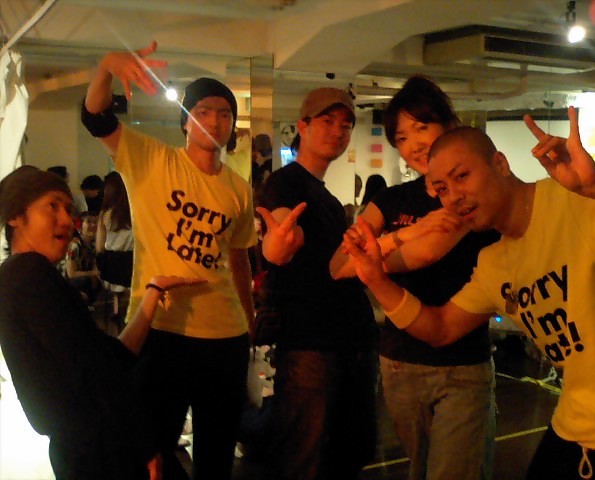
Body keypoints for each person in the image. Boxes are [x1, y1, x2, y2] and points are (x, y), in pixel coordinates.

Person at [342, 109, 595, 480]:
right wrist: (376, 279)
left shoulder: (575, 202)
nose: (454, 197)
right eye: (442, 189)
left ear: (500, 163)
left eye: (462, 176)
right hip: (573, 421)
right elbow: (441, 328)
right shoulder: (495, 262)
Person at [82, 41, 257, 480]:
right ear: (185, 121)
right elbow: (96, 116)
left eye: (225, 113)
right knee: (151, 449)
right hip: (162, 330)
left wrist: (250, 323)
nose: (214, 121)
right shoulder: (152, 160)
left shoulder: (239, 189)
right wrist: (106, 67)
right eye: (203, 111)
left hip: (226, 336)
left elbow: (238, 259)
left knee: (217, 455)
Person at [330, 75, 500, 480]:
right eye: (402, 138)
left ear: (449, 125)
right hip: (399, 362)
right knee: (419, 469)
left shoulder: (464, 194)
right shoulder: (391, 199)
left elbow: (426, 254)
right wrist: (404, 234)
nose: (414, 145)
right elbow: (338, 266)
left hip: (461, 363)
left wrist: (372, 258)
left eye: (422, 128)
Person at [0, 165, 204, 480]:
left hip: (88, 447)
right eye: (52, 206)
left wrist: (153, 291)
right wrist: (143, 442)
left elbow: (110, 357)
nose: (66, 220)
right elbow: (91, 370)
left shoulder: (22, 276)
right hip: (101, 450)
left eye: (68, 209)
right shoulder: (29, 274)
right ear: (15, 215)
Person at [256, 87, 378, 479]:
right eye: (327, 121)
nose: (338, 132)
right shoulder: (287, 183)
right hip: (311, 343)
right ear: (303, 127)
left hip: (347, 341)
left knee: (346, 452)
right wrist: (278, 245)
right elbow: (278, 238)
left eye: (346, 125)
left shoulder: (325, 197)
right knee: (304, 458)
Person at [96, 171, 134, 334]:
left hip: (111, 265)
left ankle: (116, 309)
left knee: (111, 278)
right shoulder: (136, 211)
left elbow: (99, 247)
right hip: (132, 263)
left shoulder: (105, 214)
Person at [65, 211, 102, 306]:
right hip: (69, 282)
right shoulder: (74, 246)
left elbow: (95, 267)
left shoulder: (92, 246)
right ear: (80, 227)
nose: (93, 225)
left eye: (95, 222)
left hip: (84, 278)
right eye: (88, 222)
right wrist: (92, 274)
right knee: (85, 281)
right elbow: (71, 274)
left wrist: (95, 274)